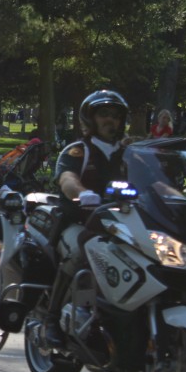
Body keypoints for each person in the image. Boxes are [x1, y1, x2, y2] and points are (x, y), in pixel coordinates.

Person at [42, 89, 131, 345]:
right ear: (90, 119)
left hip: (121, 226)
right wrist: (83, 194)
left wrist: (176, 197)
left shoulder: (129, 154)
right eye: (104, 115)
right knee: (81, 252)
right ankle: (52, 317)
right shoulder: (77, 152)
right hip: (80, 223)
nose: (110, 121)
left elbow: (155, 183)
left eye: (115, 116)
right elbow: (67, 179)